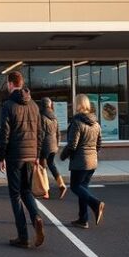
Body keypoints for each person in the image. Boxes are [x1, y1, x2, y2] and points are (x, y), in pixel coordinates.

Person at [0, 71, 46, 249]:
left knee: (15, 194)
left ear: (11, 84)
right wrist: (37, 156)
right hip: (30, 156)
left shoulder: (8, 105)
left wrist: (1, 156)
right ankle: (36, 218)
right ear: (22, 82)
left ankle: (23, 236)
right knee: (26, 191)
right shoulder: (34, 105)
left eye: (7, 83)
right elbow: (40, 133)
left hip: (14, 156)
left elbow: (4, 134)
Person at [60, 93, 105, 229]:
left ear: (78, 105)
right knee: (83, 189)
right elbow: (99, 144)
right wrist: (92, 154)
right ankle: (83, 219)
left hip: (80, 162)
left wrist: (63, 155)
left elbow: (73, 145)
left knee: (75, 187)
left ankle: (96, 204)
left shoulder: (77, 122)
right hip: (92, 162)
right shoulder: (96, 123)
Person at [39, 97, 68, 199]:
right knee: (51, 164)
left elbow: (41, 135)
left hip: (44, 146)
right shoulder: (54, 116)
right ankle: (61, 184)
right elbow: (58, 133)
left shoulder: (42, 117)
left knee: (42, 168)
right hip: (53, 145)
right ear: (50, 105)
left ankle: (45, 191)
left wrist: (38, 148)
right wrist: (57, 145)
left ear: (42, 105)